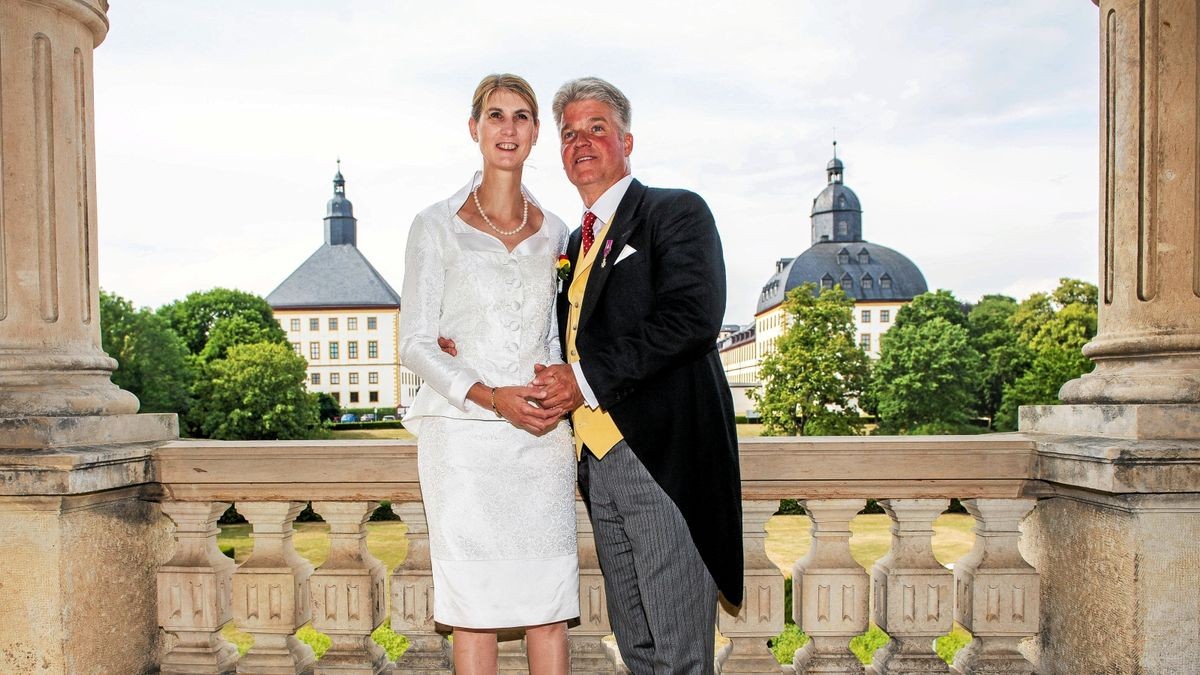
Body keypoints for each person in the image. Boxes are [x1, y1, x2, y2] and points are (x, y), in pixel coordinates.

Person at [534, 76, 744, 673]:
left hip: (660, 460)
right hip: (597, 468)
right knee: (640, 650)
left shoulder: (674, 212)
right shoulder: (572, 242)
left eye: (597, 128)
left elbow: (693, 318)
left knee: (678, 657)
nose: (582, 142)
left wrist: (585, 380)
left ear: (627, 140)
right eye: (569, 133)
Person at [399, 73, 577, 675]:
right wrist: (489, 396)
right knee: (473, 610)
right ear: (474, 130)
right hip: (465, 438)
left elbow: (556, 333)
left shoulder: (558, 231)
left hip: (542, 439)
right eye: (496, 115)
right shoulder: (434, 224)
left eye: (522, 116)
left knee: (549, 608)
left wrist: (560, 386)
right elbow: (417, 344)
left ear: (535, 135)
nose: (508, 128)